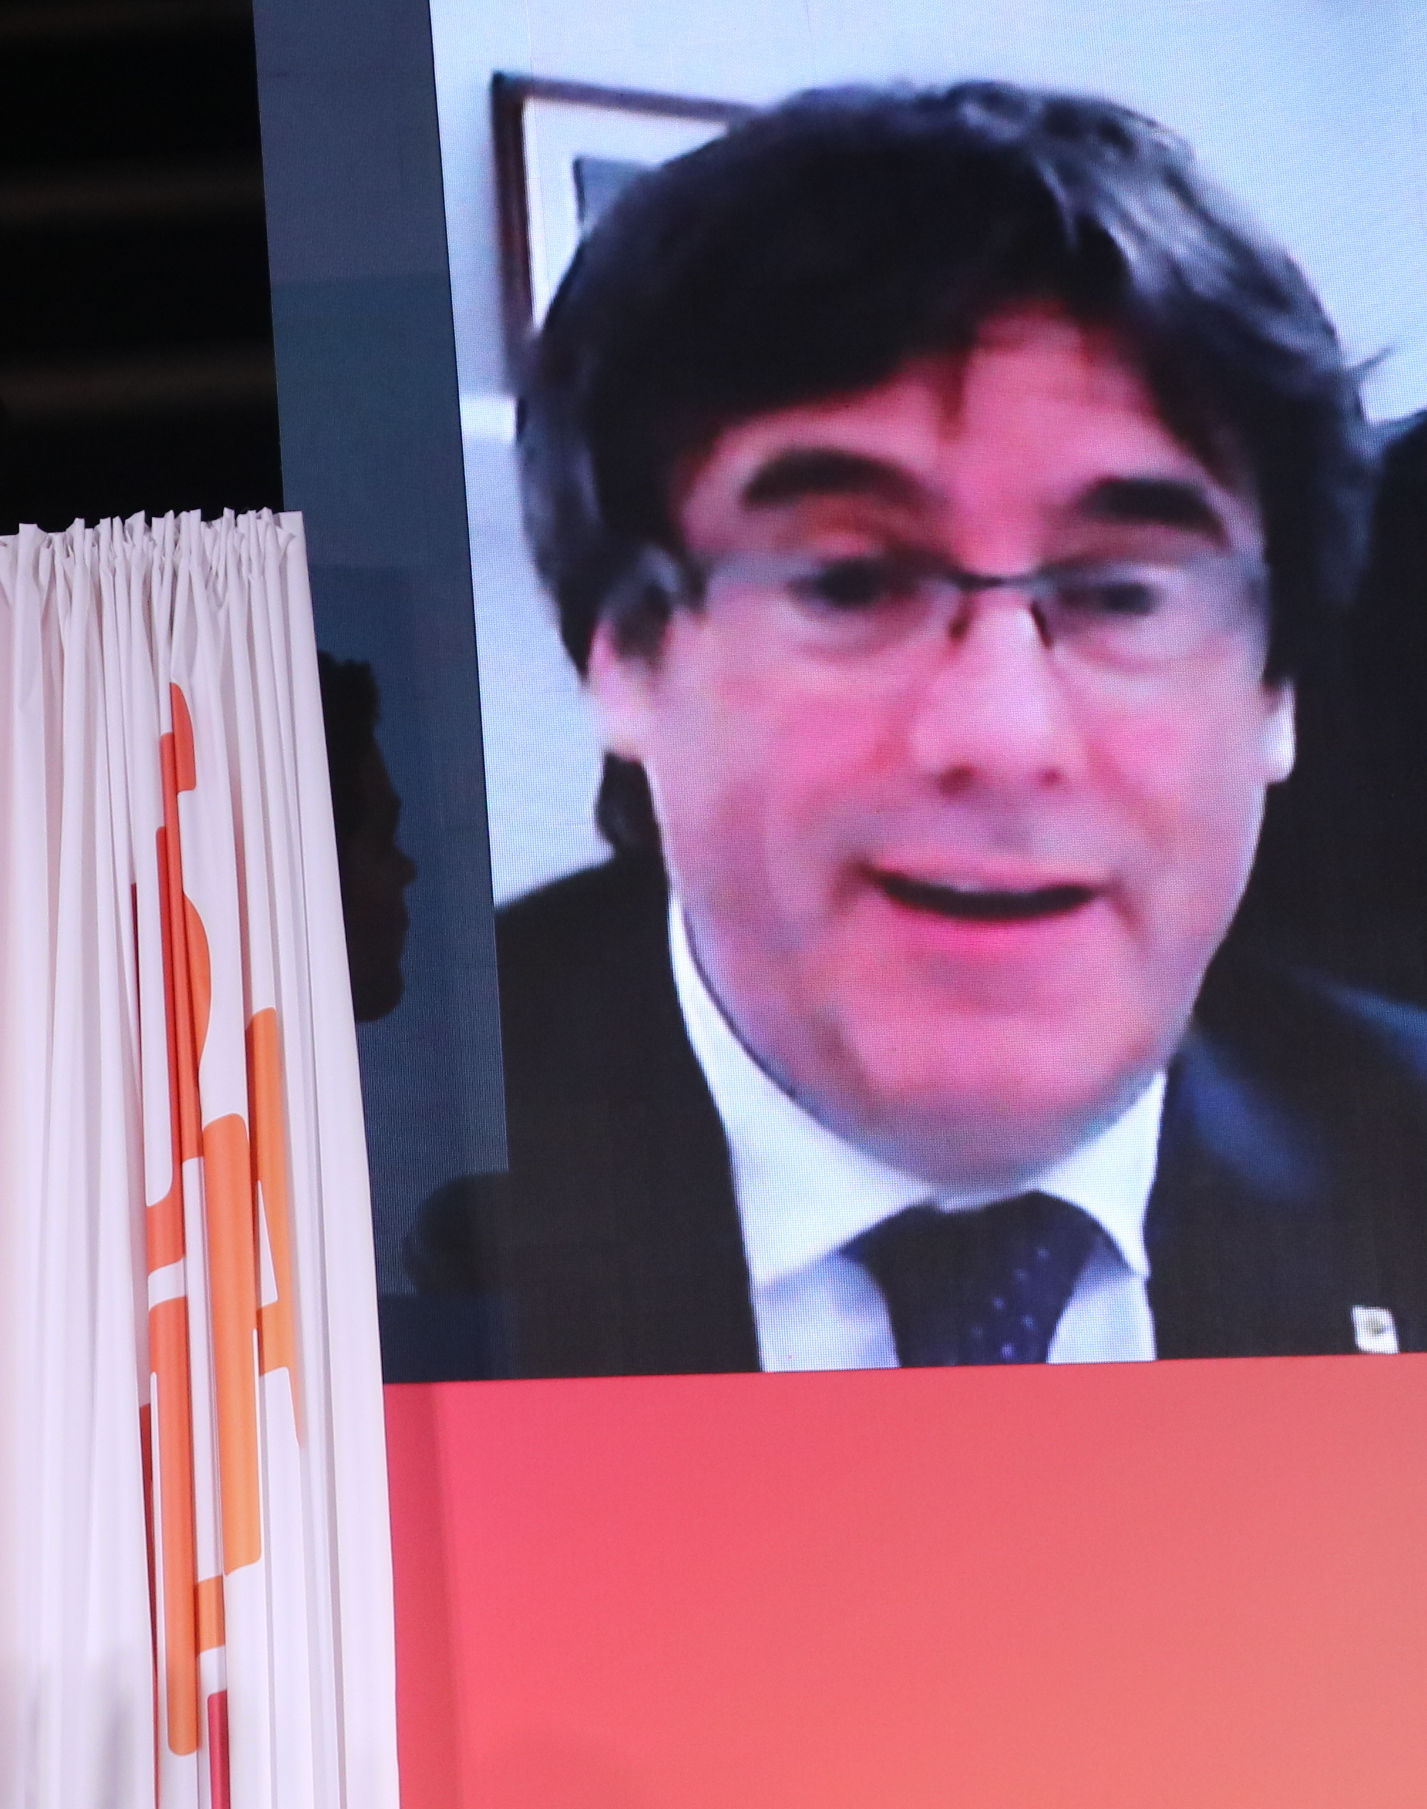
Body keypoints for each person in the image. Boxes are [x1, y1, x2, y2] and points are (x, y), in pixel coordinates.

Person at [488, 81, 1427, 1377]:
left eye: (1118, 593)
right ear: (625, 650)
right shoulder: (314, 1191)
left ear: (1277, 691)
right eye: (849, 583)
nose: (1001, 734)